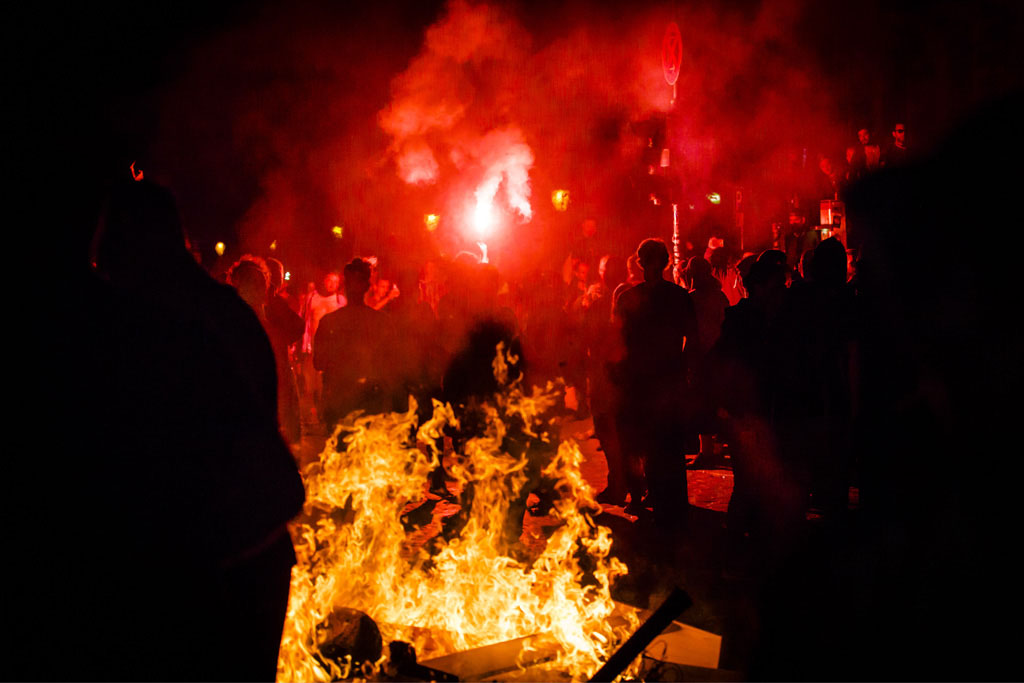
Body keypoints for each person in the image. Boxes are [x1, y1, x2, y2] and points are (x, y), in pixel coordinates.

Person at [42, 179, 306, 681]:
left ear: (136, 242)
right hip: (245, 561)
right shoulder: (221, 313)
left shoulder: (167, 326)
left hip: (220, 572)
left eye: (110, 251)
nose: (104, 266)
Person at [612, 238, 698, 528]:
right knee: (669, 444)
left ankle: (650, 500)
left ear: (641, 263)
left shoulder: (629, 299)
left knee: (646, 443)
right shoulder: (678, 296)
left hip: (642, 381)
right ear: (665, 263)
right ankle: (671, 504)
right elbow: (693, 339)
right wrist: (683, 367)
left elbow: (617, 343)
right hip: (667, 378)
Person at [314, 258, 396, 429]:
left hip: (340, 403)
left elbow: (318, 362)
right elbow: (391, 364)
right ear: (367, 287)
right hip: (370, 404)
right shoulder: (381, 322)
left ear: (344, 286)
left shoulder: (330, 322)